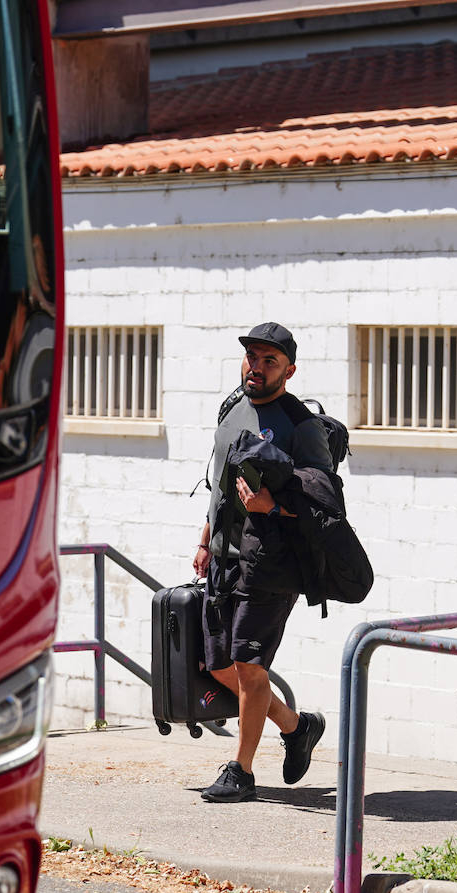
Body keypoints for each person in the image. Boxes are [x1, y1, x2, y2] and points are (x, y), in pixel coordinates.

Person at [193, 321, 329, 802]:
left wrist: (271, 507)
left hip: (271, 562)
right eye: (252, 356)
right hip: (224, 559)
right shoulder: (232, 409)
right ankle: (297, 727)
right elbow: (219, 486)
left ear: (289, 370)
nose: (257, 366)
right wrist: (206, 540)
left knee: (249, 666)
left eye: (270, 360)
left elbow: (324, 501)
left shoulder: (301, 426)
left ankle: (241, 771)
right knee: (218, 666)